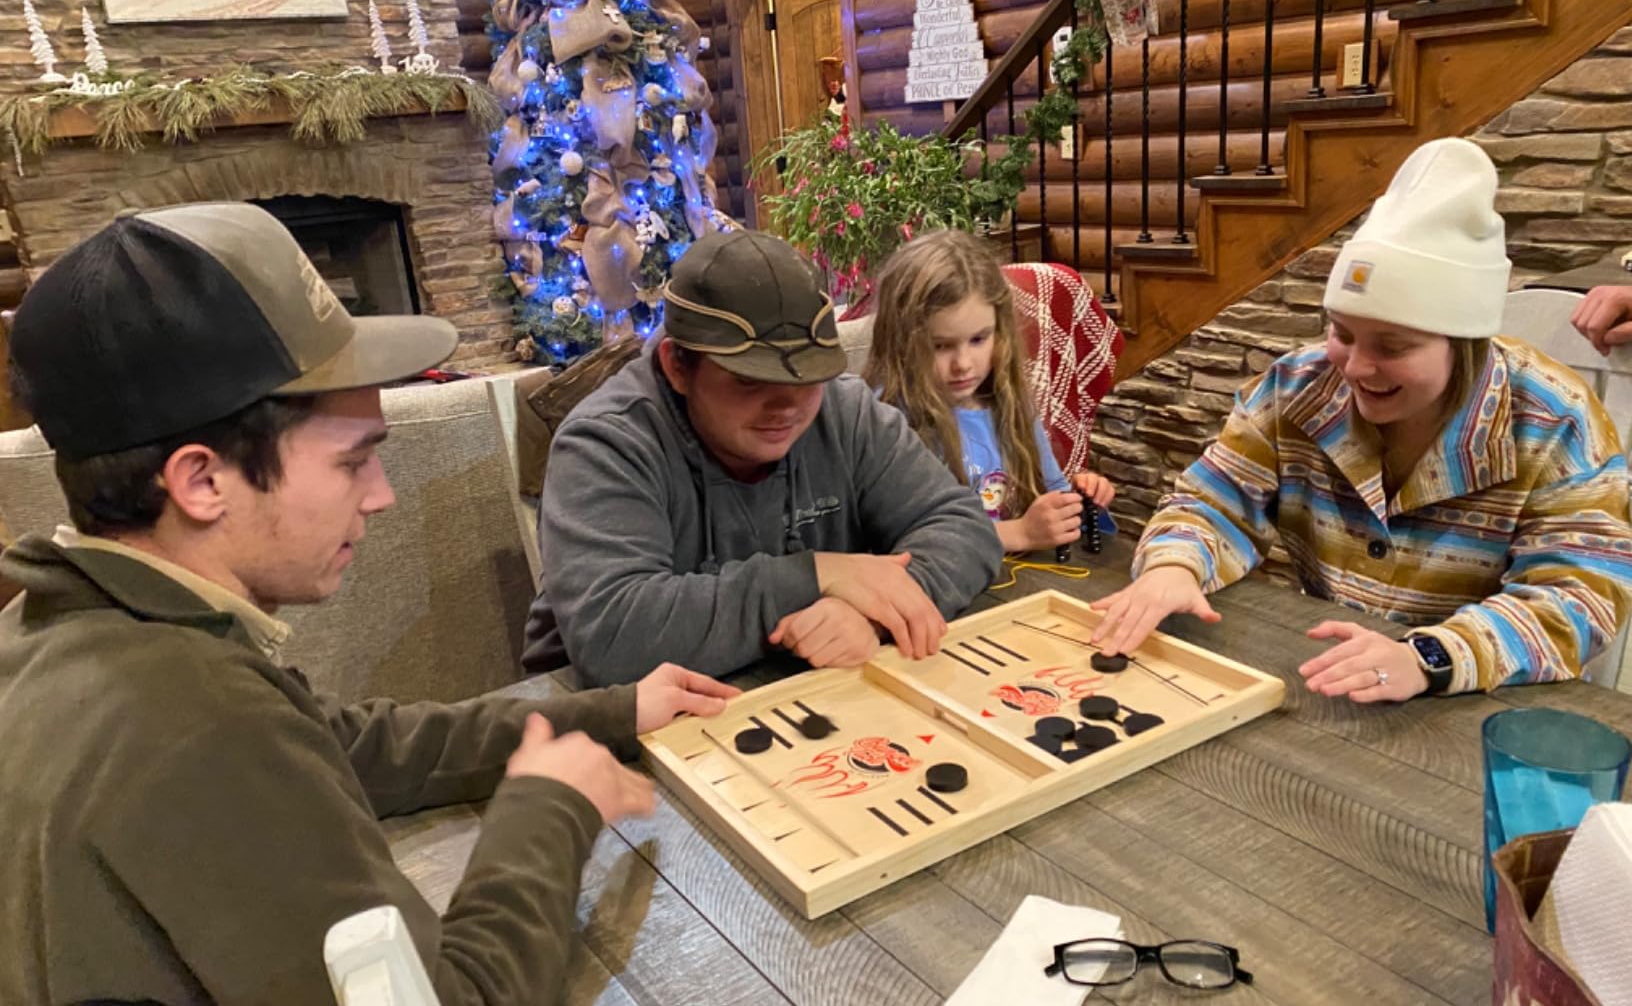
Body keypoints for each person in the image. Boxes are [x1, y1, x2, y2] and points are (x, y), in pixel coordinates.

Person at [0, 203, 736, 1006]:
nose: (383, 495)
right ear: (199, 480)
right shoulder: (187, 728)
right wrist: (546, 813)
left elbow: (338, 744)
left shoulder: (70, 623)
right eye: (355, 460)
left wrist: (612, 711)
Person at [1092, 138, 1632, 701]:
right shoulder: (1294, 388)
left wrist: (1430, 656)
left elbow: (1578, 597)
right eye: (1341, 333)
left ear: (1465, 343)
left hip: (1494, 704)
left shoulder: (1556, 423)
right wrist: (1175, 566)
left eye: (1393, 346)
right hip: (1334, 683)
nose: (1356, 366)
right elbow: (1213, 500)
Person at [522, 228, 1004, 684]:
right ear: (677, 366)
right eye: (749, 381)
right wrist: (819, 575)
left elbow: (963, 527)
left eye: (807, 377)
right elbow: (615, 636)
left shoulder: (845, 409)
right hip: (619, 733)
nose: (788, 407)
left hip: (798, 696)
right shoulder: (605, 443)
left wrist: (866, 613)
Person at [863, 228, 1117, 553]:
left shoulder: (1011, 403)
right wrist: (1017, 534)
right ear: (899, 342)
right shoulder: (887, 418)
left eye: (979, 339)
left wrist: (1081, 500)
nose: (964, 364)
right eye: (940, 346)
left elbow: (1053, 499)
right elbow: (899, 542)